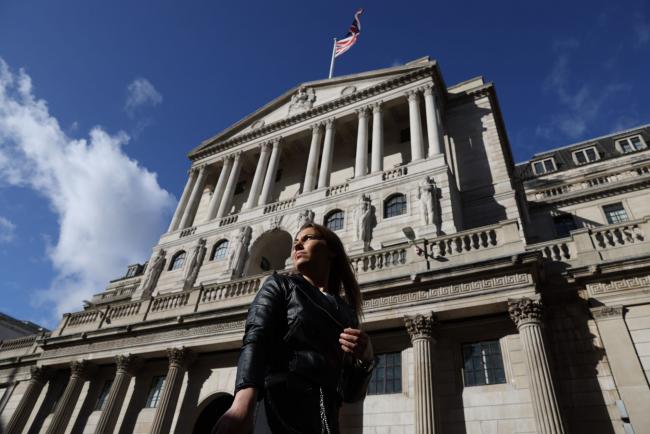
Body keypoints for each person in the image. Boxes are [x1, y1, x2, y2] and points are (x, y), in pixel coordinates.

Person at [215, 223, 376, 433]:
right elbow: (256, 339)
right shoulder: (280, 284)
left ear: (331, 250)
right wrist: (242, 402)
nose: (298, 244)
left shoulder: (347, 313)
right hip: (280, 408)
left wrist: (367, 359)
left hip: (325, 420)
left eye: (308, 238)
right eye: (295, 242)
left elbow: (350, 394)